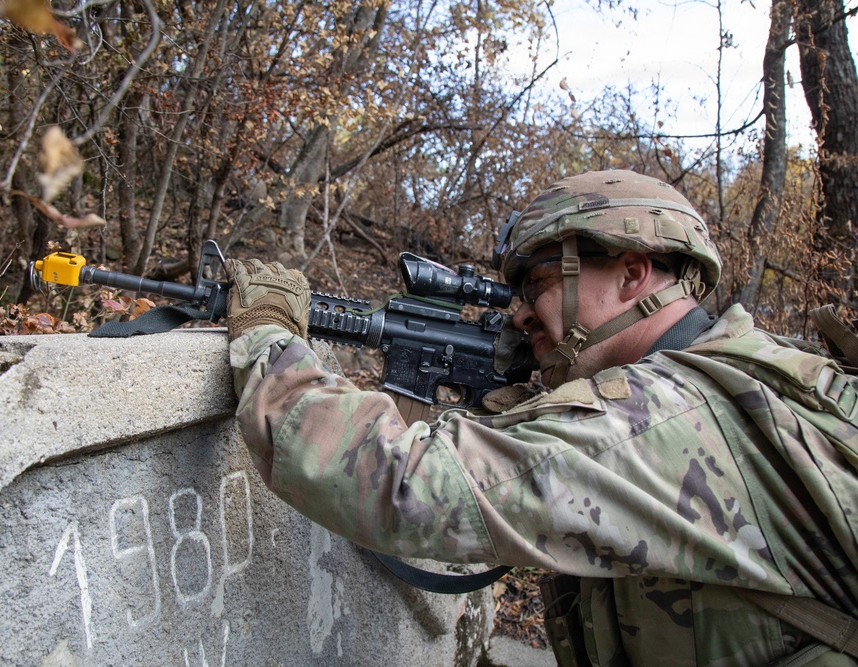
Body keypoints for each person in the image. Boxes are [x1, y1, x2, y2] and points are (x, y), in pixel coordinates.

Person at [224, 170, 858, 666]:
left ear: (633, 272)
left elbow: (403, 485)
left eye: (538, 285)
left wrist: (268, 338)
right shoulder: (752, 373)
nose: (519, 315)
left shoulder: (665, 416)